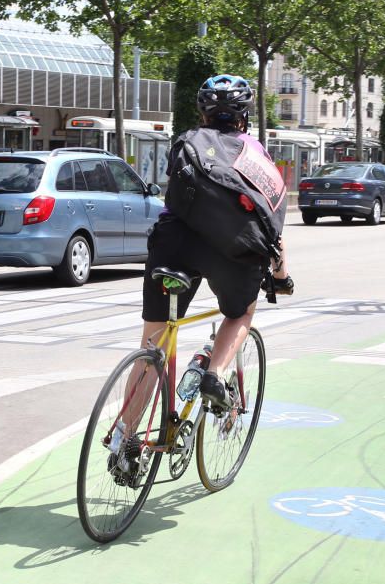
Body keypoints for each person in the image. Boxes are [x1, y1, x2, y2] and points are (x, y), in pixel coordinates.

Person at [113, 74, 293, 457]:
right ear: (244, 116)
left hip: (173, 244)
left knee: (154, 341)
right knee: (240, 312)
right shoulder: (256, 154)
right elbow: (273, 223)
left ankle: (124, 440)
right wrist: (281, 275)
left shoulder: (189, 142)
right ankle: (216, 375)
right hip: (234, 251)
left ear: (203, 113)